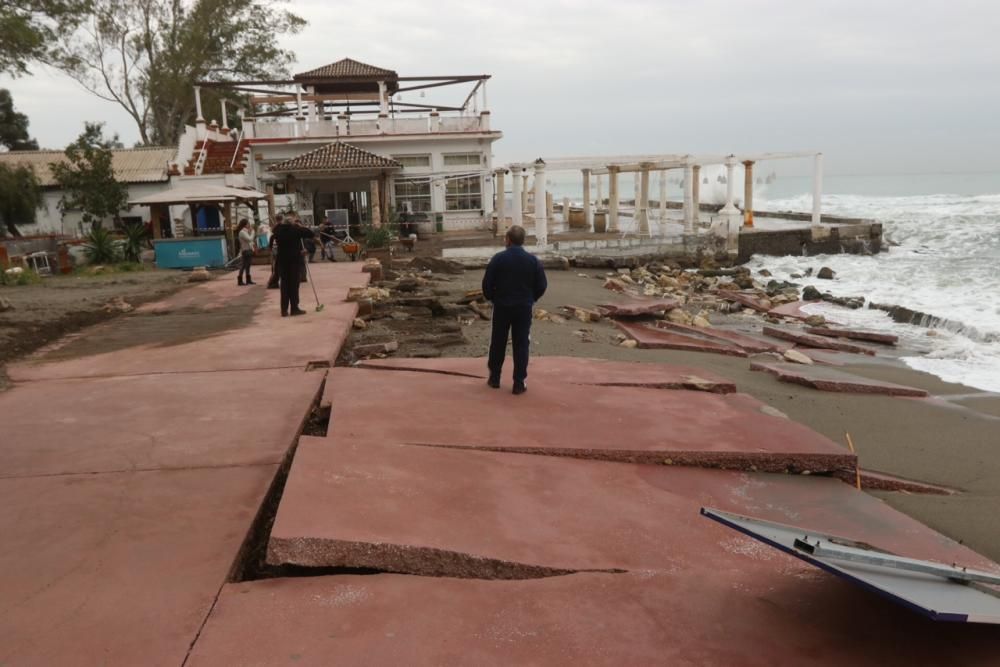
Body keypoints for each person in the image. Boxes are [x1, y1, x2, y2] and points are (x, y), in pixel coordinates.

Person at [482, 225, 547, 395]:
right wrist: (532, 298)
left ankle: (494, 378)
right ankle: (519, 383)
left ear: (508, 240)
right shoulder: (532, 261)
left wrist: (493, 298)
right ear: (523, 241)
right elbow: (541, 285)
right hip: (523, 307)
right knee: (521, 344)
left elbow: (487, 285)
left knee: (498, 341)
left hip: (502, 306)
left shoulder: (498, 259)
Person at [270, 215, 315, 316]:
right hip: (294, 260)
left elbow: (275, 230)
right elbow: (310, 233)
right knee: (294, 285)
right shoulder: (295, 230)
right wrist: (299, 226)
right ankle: (294, 308)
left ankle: (284, 310)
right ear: (292, 223)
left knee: (284, 285)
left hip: (281, 260)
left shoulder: (278, 230)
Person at [235, 219, 256, 286]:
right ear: (245, 224)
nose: (249, 225)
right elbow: (249, 239)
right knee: (244, 265)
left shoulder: (245, 231)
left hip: (249, 250)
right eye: (248, 224)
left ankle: (248, 279)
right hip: (245, 250)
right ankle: (240, 280)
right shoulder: (242, 232)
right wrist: (253, 233)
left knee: (248, 265)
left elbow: (250, 241)